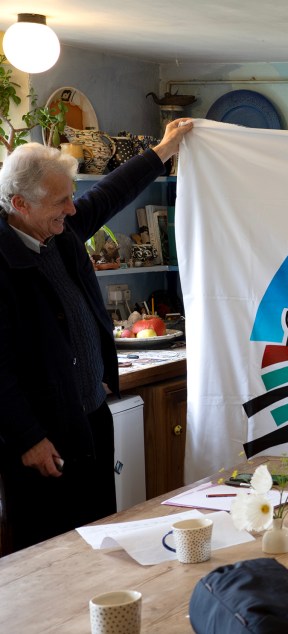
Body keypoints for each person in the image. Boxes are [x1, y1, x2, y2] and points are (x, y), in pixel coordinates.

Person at [0, 118, 193, 553]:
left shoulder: (57, 232)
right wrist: (29, 438)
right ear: (20, 204)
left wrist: (163, 150)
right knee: (51, 551)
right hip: (43, 436)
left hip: (88, 413)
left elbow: (109, 194)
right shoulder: (3, 262)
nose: (72, 210)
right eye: (61, 201)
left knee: (99, 534)